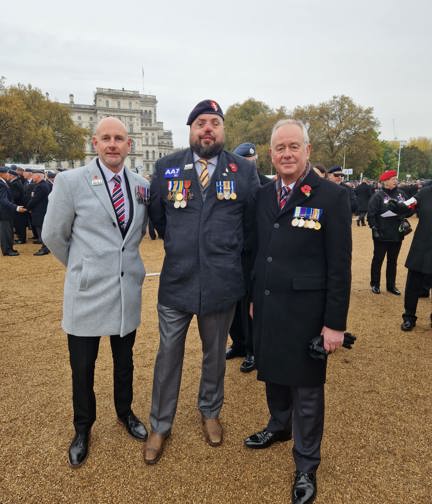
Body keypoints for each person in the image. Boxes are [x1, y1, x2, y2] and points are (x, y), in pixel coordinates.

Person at [146, 100, 259, 464]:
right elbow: (159, 218)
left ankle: (210, 411)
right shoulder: (166, 168)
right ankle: (160, 424)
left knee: (214, 356)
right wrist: (183, 247)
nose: (207, 129)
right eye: (200, 123)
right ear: (190, 130)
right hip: (177, 283)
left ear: (223, 130)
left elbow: (251, 226)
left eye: (214, 123)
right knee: (168, 357)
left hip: (221, 284)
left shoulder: (242, 171)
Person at [244, 119, 351, 504]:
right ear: (271, 153)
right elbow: (260, 252)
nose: (286, 154)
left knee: (307, 390)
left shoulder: (332, 197)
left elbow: (339, 266)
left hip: (308, 312)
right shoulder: (262, 195)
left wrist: (334, 324)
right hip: (270, 303)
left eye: (293, 146)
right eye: (279, 148)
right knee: (272, 372)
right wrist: (255, 295)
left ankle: (306, 464)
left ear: (307, 150)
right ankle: (279, 425)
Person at [42, 117, 150, 468]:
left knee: (125, 362)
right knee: (83, 367)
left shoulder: (141, 186)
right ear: (95, 142)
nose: (113, 144)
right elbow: (54, 235)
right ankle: (83, 428)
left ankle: (125, 412)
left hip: (125, 290)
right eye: (106, 138)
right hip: (87, 291)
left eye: (119, 138)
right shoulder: (71, 181)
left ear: (129, 144)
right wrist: (81, 267)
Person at [225, 142, 269, 373]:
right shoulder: (228, 184)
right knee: (233, 302)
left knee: (251, 304)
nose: (249, 166)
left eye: (252, 161)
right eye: (244, 162)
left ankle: (253, 349)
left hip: (257, 254)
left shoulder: (268, 186)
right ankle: (239, 343)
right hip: (232, 254)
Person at [396, 186, 432, 330]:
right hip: (422, 245)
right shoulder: (425, 192)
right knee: (413, 283)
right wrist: (398, 207)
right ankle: (409, 316)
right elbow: (408, 205)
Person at [367, 169, 408, 295]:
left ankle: (391, 285)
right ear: (385, 181)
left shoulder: (401, 194)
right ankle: (375, 284)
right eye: (392, 179)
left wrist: (404, 212)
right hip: (382, 233)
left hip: (397, 233)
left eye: (396, 178)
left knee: (393, 261)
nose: (396, 181)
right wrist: (374, 228)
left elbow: (408, 210)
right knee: (378, 259)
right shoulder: (378, 196)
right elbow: (371, 214)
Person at [0, 167, 27, 256]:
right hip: (3, 212)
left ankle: (10, 248)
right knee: (5, 232)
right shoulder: (1, 184)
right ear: (1, 174)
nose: (9, 175)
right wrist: (16, 207)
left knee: (9, 231)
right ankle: (7, 250)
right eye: (7, 173)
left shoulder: (4, 182)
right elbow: (3, 200)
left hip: (7, 212)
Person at [25, 170, 52, 255]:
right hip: (39, 211)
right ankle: (45, 247)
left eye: (34, 175)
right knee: (41, 230)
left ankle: (45, 248)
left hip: (40, 211)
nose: (32, 177)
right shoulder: (41, 185)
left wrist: (27, 207)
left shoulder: (41, 186)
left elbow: (35, 199)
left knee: (42, 231)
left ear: (39, 176)